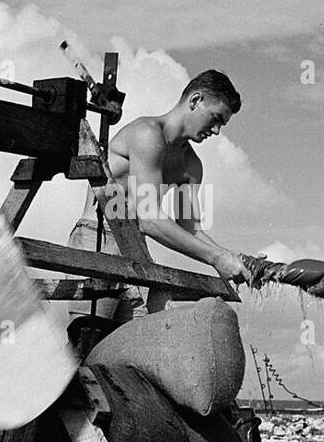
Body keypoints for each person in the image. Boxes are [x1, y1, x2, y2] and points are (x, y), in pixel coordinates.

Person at [67, 70, 249, 331]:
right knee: (88, 338)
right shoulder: (147, 134)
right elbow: (150, 219)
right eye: (216, 118)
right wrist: (217, 258)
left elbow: (191, 228)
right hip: (100, 237)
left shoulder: (191, 166)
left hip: (136, 247)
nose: (217, 131)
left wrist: (232, 257)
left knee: (143, 343)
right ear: (196, 100)